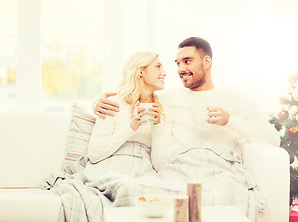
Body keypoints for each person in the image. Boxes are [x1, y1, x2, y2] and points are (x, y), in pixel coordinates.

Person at [93, 37, 278, 221]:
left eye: (187, 61)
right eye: (178, 63)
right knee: (160, 197)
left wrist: (230, 120)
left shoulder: (233, 99)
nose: (181, 69)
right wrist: (97, 103)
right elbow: (134, 97)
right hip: (178, 169)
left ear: (207, 62)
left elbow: (272, 138)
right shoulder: (167, 99)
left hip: (220, 168)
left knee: (221, 196)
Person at [84, 51, 167, 182]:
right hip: (112, 168)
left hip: (142, 172)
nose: (164, 73)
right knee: (125, 187)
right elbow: (94, 153)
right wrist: (131, 128)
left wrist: (158, 126)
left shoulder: (161, 110)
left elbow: (160, 166)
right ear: (141, 71)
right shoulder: (113, 103)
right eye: (158, 66)